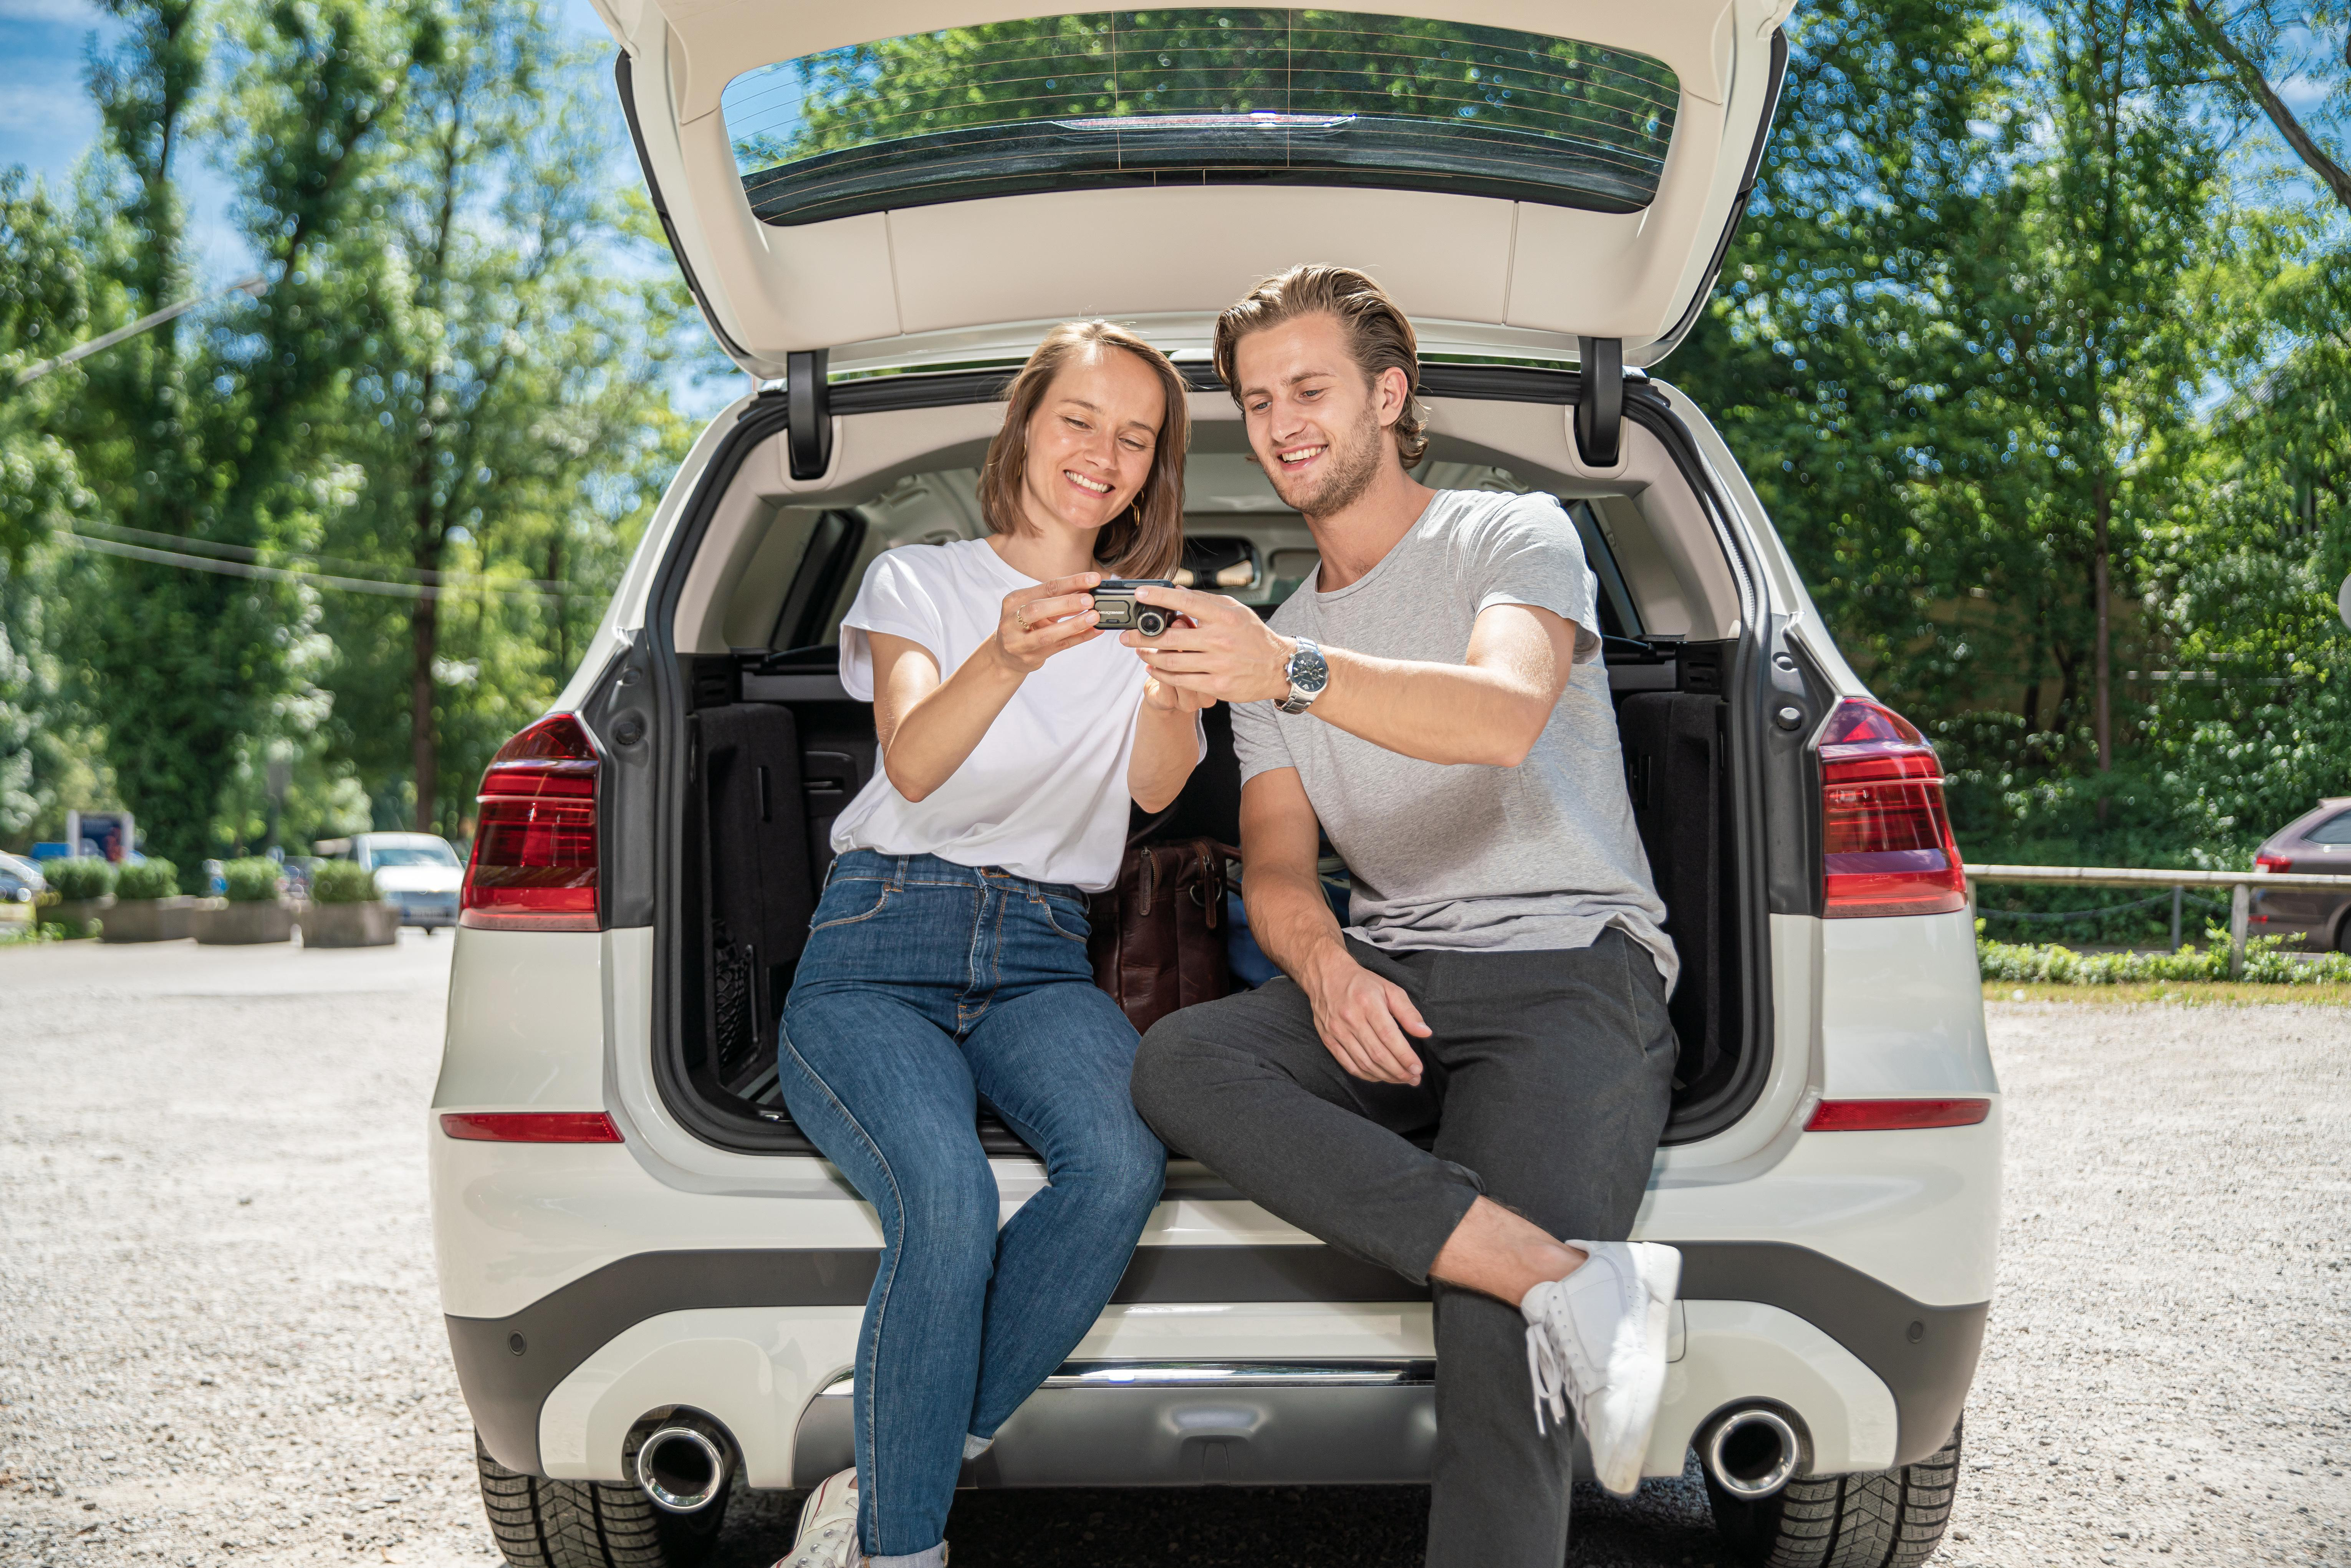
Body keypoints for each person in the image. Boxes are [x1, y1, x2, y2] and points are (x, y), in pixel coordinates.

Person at [1124, 265, 1683, 1567]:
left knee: (1485, 1334)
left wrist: (1287, 668)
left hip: (1568, 974)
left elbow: (1499, 718)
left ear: (1390, 391)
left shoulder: (1510, 534)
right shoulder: (1271, 640)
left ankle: (1520, 1289)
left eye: (1309, 388)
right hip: (1397, 976)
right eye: (1259, 401)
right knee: (1182, 1061)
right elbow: (1274, 865)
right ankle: (1563, 1280)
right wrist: (1324, 971)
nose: (1281, 423)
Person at [773, 320, 1210, 1568]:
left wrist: (1174, 690)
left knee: (1121, 1167)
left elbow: (1156, 790)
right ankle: (901, 1551)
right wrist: (1011, 650)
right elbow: (912, 758)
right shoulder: (925, 580)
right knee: (949, 1206)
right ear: (1024, 428)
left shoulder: (1144, 615)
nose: (1106, 454)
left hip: (1038, 954)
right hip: (876, 946)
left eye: (1137, 438)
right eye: (1082, 420)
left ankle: (902, 1462)